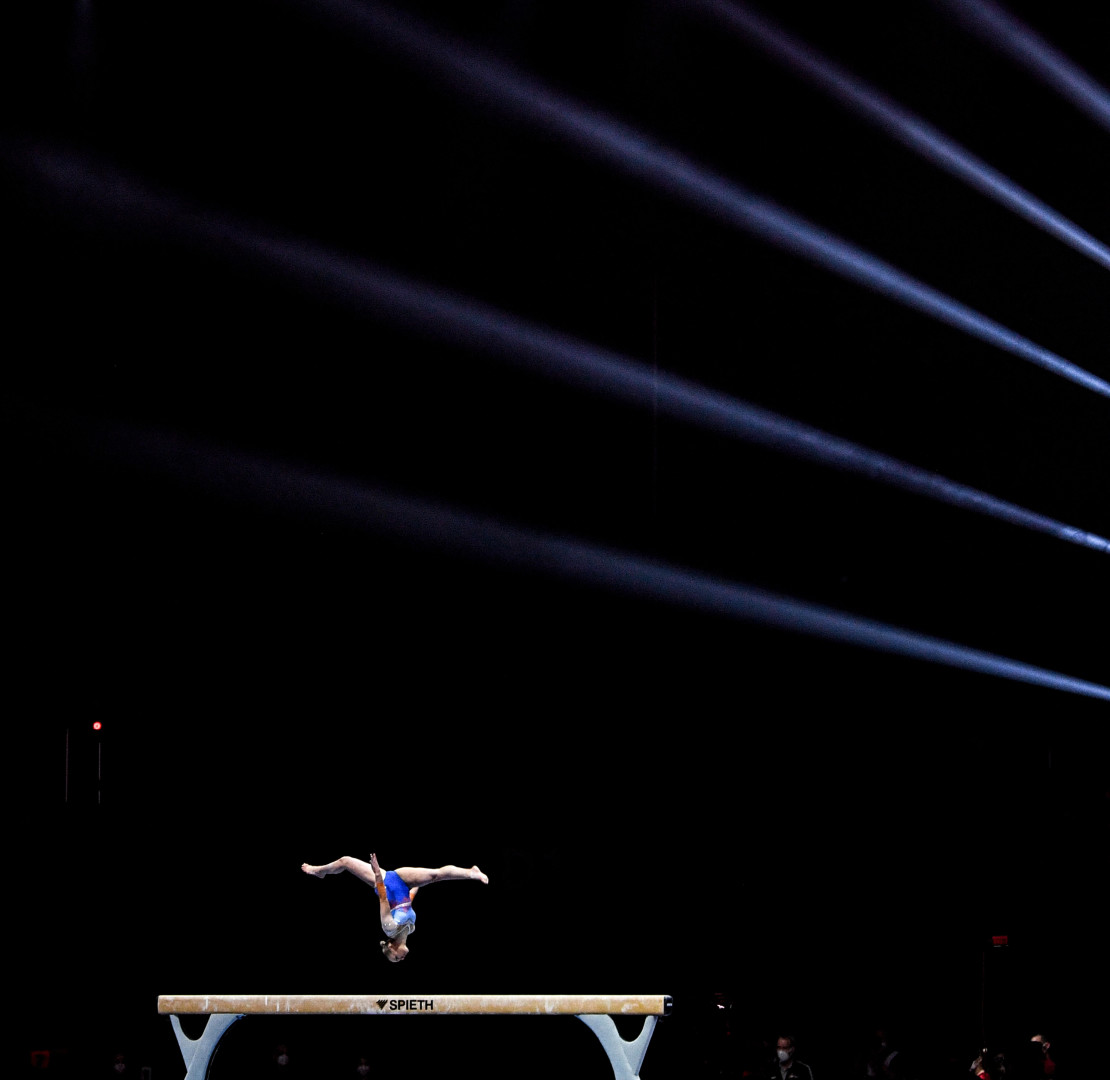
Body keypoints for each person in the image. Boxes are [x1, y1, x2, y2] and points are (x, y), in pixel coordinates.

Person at [301, 852, 488, 961]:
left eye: (396, 958)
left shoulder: (390, 929)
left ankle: (319, 871)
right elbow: (407, 903)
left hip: (385, 882)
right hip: (403, 883)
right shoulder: (411, 929)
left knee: (346, 861)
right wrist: (417, 886)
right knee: (435, 876)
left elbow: (383, 898)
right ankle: (470, 873)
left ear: (391, 947)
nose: (401, 958)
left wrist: (376, 873)